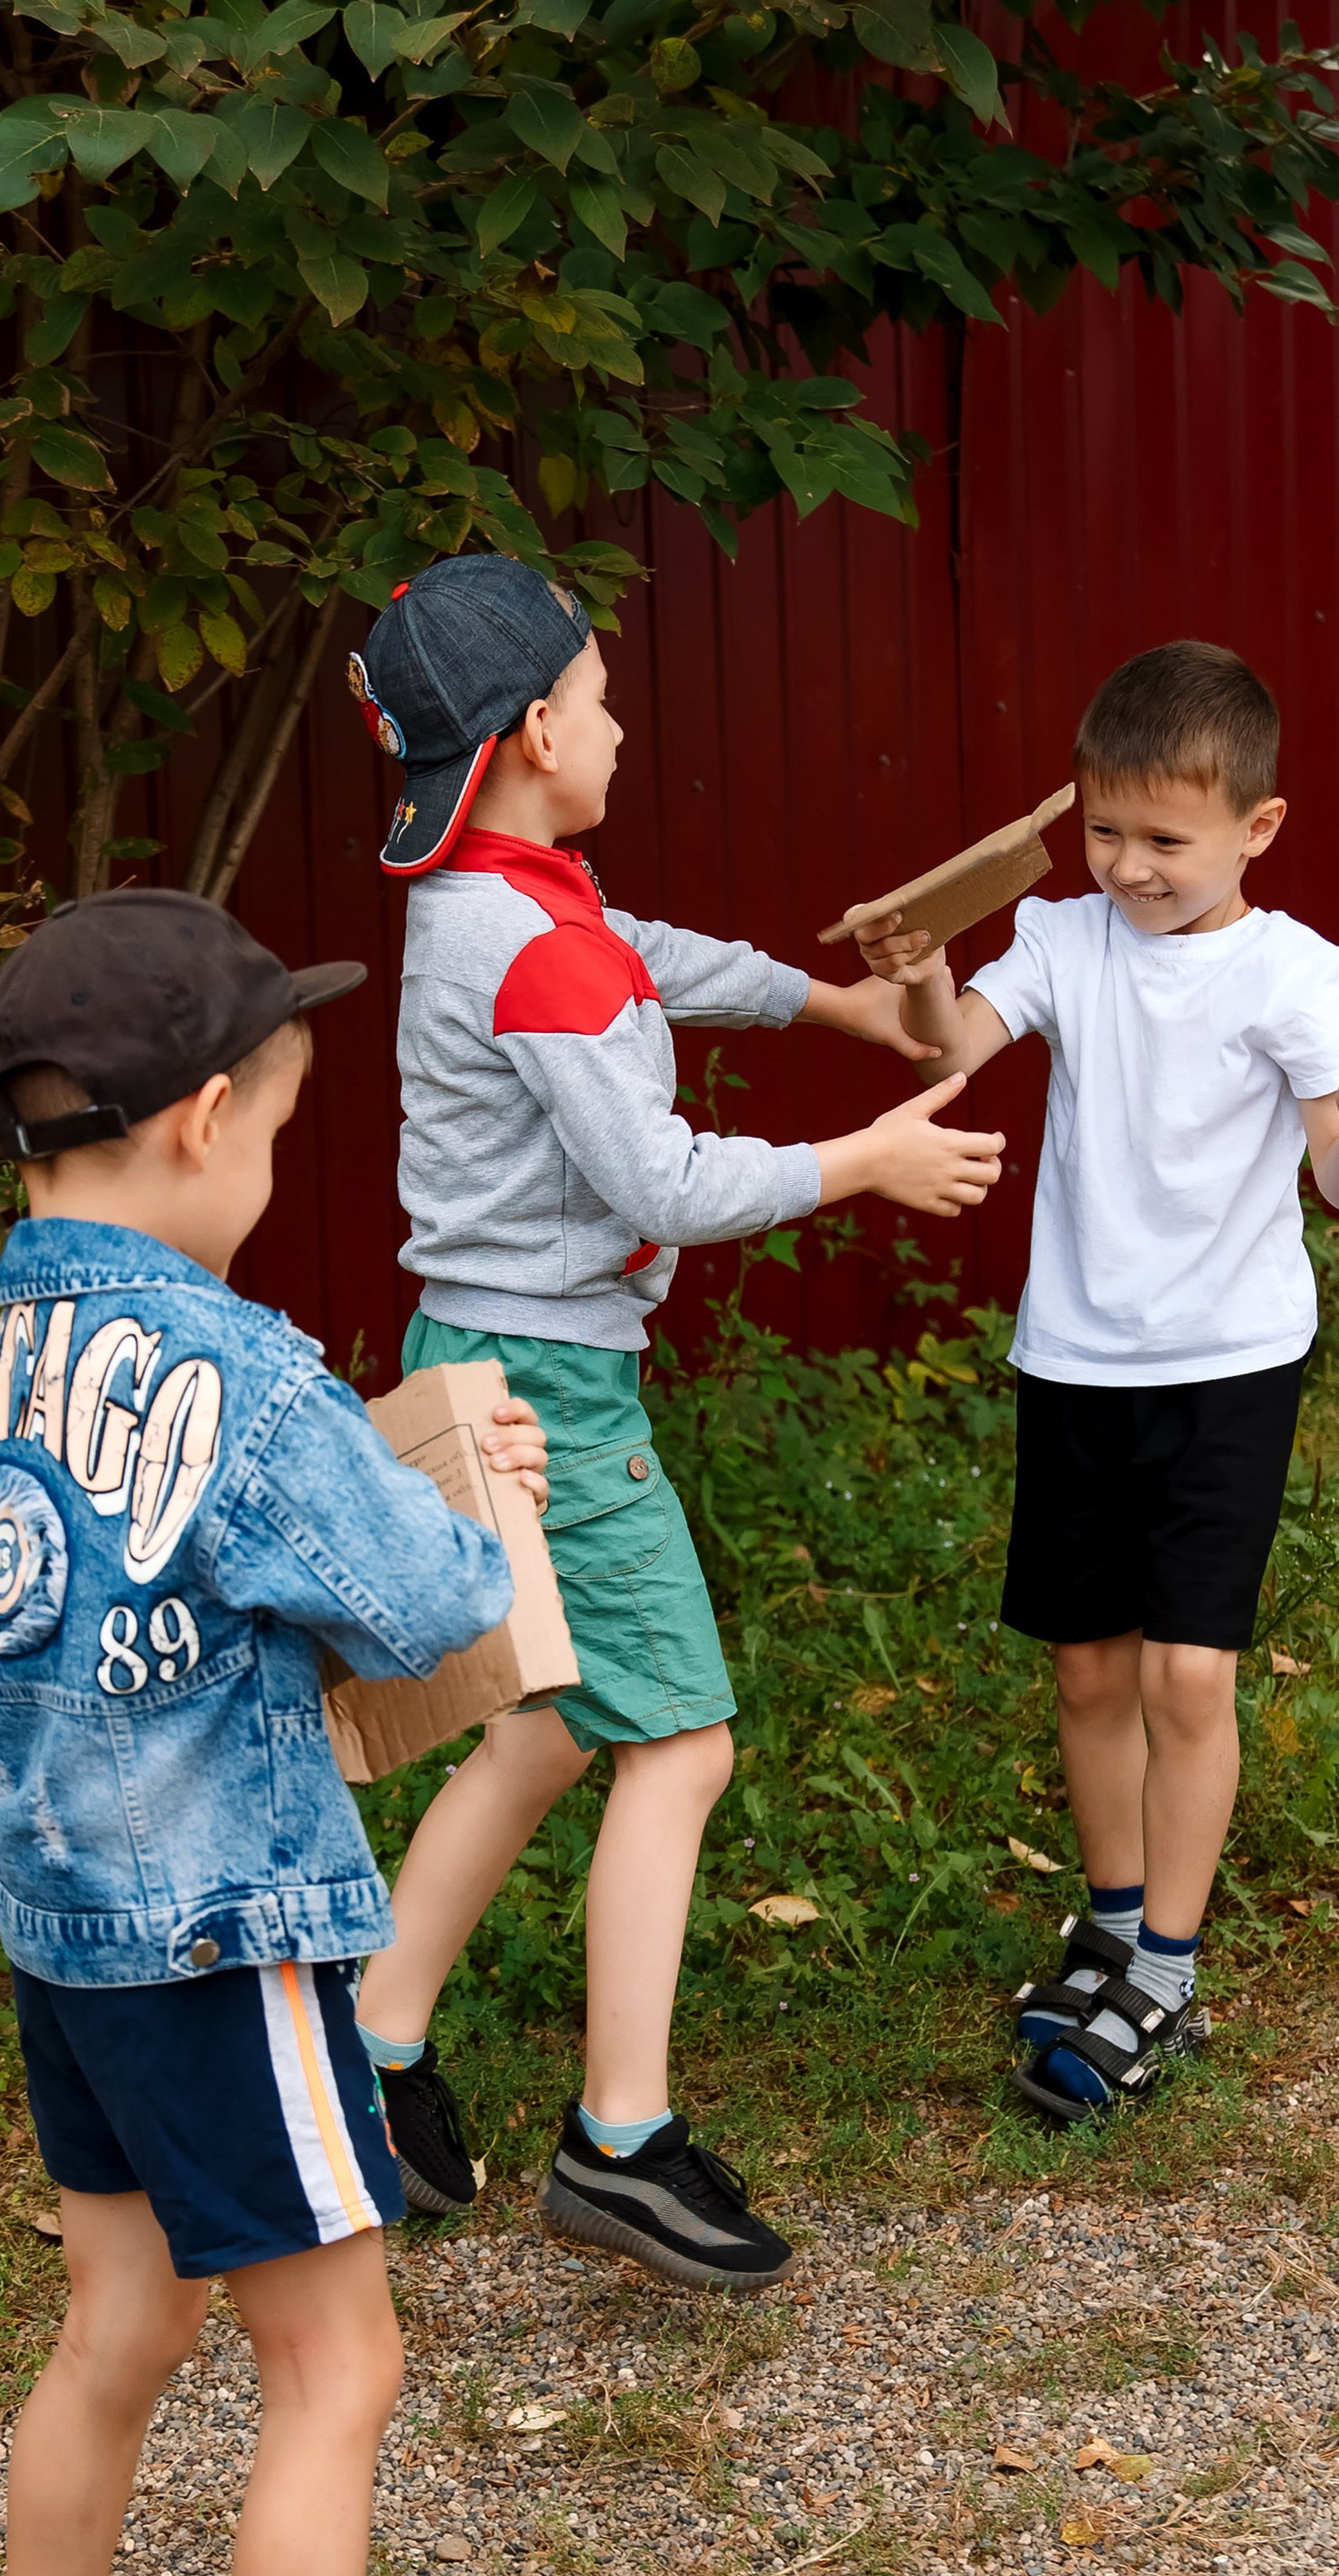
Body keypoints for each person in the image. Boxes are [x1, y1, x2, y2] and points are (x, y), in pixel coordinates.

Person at [0, 890, 556, 2576]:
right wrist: (485, 1493)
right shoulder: (237, 1370)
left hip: (63, 1922)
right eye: (281, 1129)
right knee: (337, 2364)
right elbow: (431, 1605)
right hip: (220, 1934)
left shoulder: (17, 1337)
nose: (276, 1167)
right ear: (203, 1122)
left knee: (124, 2317)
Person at [342, 552, 1005, 2289]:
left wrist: (828, 1001)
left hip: (472, 1346)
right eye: (607, 697)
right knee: (680, 1741)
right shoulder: (525, 943)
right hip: (550, 1381)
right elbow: (661, 1176)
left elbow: (641, 954)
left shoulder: (501, 891)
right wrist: (863, 1157)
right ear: (539, 729)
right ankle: (617, 2142)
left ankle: (373, 2045)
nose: (626, 724)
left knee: (539, 1725)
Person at [850, 640, 1339, 2121]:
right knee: (1090, 1668)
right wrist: (926, 977)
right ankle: (1112, 1926)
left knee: (1191, 1673)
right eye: (1106, 829)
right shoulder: (1063, 941)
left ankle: (1165, 1981)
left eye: (1165, 840)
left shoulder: (1295, 972)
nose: (1128, 866)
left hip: (1231, 1366)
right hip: (1075, 1357)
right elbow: (958, 1045)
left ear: (1256, 828)